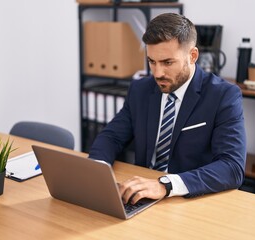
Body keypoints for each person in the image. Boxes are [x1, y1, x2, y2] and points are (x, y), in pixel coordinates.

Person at [88, 13, 246, 205]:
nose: (157, 73)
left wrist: (165, 184)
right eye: (152, 61)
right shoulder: (140, 90)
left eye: (167, 62)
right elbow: (112, 136)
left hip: (190, 200)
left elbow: (232, 167)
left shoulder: (223, 96)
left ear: (193, 56)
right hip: (142, 196)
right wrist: (97, 172)